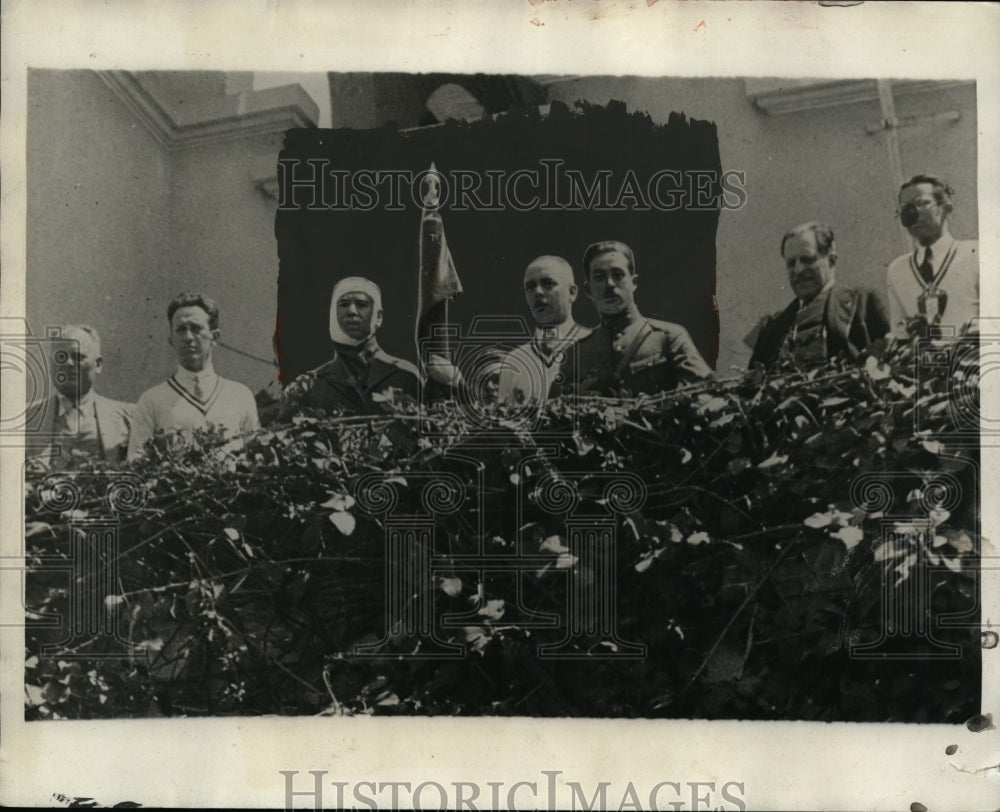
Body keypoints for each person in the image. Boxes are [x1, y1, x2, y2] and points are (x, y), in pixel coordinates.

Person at [127, 293, 259, 461]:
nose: (188, 337)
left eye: (196, 329)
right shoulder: (151, 401)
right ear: (171, 339)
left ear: (214, 337)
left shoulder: (240, 396)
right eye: (181, 330)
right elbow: (136, 463)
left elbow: (257, 459)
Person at [572, 240, 712, 396]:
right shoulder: (577, 352)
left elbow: (705, 391)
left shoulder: (668, 337)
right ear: (588, 289)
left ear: (634, 282)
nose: (609, 284)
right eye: (599, 278)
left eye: (618, 275)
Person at [748, 222, 890, 370]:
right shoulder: (772, 326)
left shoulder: (863, 302)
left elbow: (893, 359)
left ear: (832, 261)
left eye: (807, 260)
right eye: (791, 263)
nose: (798, 270)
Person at [281, 277, 419, 416]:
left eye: (361, 304)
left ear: (379, 317)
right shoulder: (312, 384)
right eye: (344, 304)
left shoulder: (406, 375)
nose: (351, 311)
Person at [886, 174, 979, 338]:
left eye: (922, 203)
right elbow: (899, 333)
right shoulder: (897, 270)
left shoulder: (976, 254)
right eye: (905, 208)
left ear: (946, 207)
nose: (913, 214)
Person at [27, 324, 132, 468]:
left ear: (98, 364)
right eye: (60, 357)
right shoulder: (25, 419)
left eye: (78, 357)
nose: (68, 363)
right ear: (51, 365)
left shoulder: (128, 420)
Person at [497, 255, 593, 406]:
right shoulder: (514, 361)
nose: (537, 292)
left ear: (572, 293)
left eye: (548, 284)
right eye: (530, 288)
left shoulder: (596, 346)